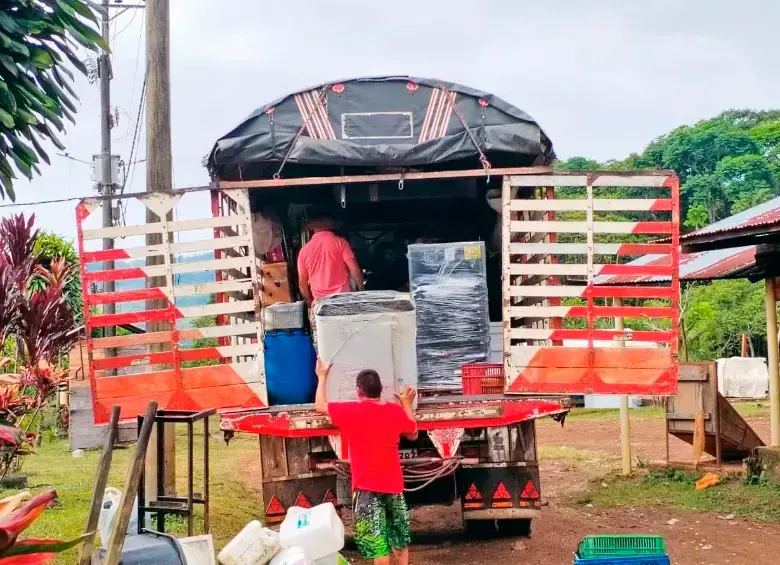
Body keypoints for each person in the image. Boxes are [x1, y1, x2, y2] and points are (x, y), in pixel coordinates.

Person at [314, 361, 417, 565]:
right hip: (393, 486)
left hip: (366, 487)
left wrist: (322, 377)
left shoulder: (352, 411)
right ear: (381, 390)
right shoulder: (394, 412)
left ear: (359, 391)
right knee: (398, 537)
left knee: (377, 542)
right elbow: (413, 433)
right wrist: (405, 402)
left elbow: (319, 407)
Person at [297, 214, 364, 346]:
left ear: (312, 229)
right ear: (330, 226)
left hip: (321, 306)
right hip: (343, 303)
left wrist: (311, 303)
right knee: (349, 343)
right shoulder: (340, 242)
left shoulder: (304, 251)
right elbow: (355, 271)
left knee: (324, 346)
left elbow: (302, 284)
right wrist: (361, 291)